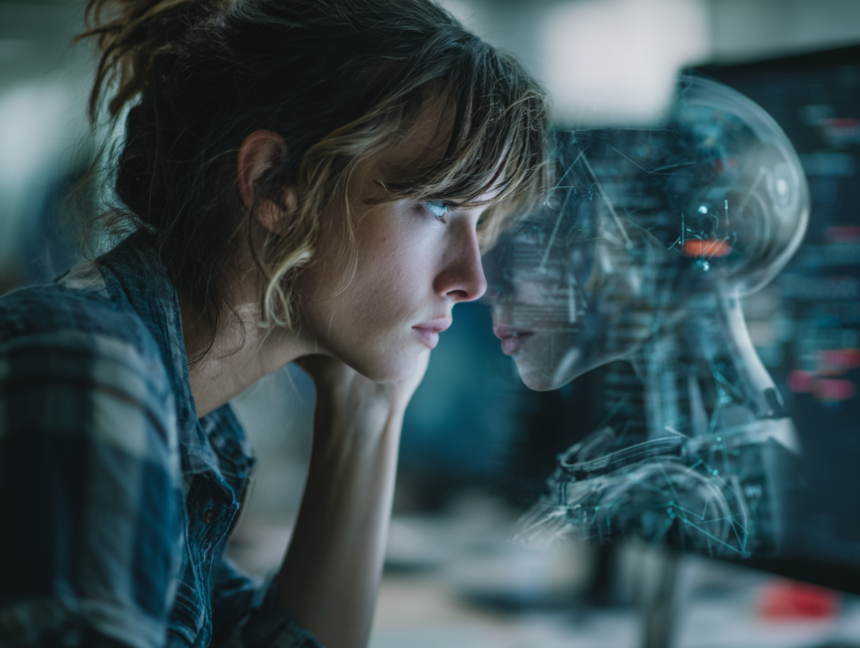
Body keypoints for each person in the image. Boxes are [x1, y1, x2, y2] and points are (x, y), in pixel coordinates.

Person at [0, 1, 548, 647]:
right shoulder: (89, 368)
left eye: (479, 224)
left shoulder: (196, 426)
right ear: (273, 186)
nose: (472, 280)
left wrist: (369, 409)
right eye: (437, 206)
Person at [484, 76, 808, 556]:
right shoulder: (635, 460)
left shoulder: (699, 491)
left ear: (640, 254)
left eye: (535, 234)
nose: (487, 284)